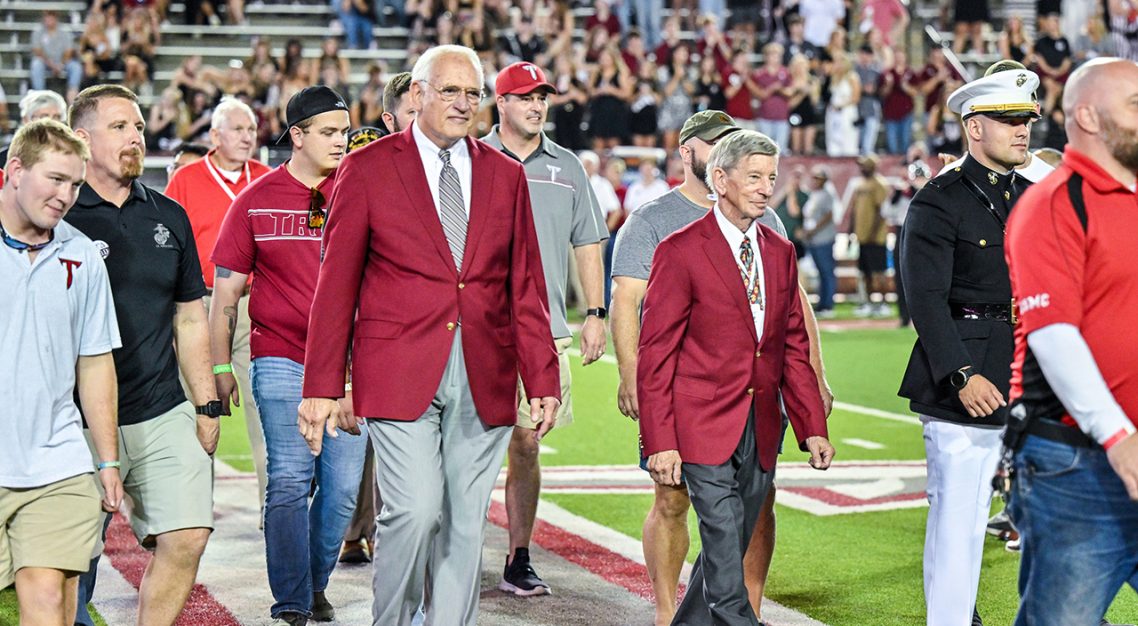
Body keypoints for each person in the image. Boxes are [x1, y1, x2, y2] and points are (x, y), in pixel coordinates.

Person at [296, 45, 561, 626]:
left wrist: (542, 376)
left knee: (465, 522)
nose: (463, 103)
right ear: (416, 96)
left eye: (472, 93)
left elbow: (526, 286)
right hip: (396, 369)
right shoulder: (364, 169)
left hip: (485, 368)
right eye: (449, 91)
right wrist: (322, 383)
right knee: (414, 510)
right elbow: (335, 285)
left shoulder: (506, 175)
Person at [611, 110, 833, 626]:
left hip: (760, 422)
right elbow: (657, 352)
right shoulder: (678, 249)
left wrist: (812, 427)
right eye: (753, 177)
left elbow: (792, 345)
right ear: (720, 179)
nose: (764, 188)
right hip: (699, 422)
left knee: (731, 539)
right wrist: (659, 439)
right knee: (720, 532)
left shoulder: (779, 250)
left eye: (771, 178)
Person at [65, 84, 219, 626]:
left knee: (188, 536)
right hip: (74, 419)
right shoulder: (55, 218)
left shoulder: (170, 215)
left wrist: (205, 404)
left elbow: (190, 315)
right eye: (120, 127)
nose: (136, 136)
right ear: (80, 139)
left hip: (160, 406)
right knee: (66, 562)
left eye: (137, 126)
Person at [210, 86, 364, 626]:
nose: (340, 142)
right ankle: (294, 602)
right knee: (290, 479)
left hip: (350, 368)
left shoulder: (360, 193)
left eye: (344, 132)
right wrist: (222, 367)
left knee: (343, 491)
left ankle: (314, 582)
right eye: (327, 132)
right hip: (279, 357)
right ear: (296, 135)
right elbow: (225, 294)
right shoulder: (255, 198)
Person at [898, 69, 1042, 626]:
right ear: (973, 127)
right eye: (1009, 121)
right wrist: (960, 372)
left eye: (1026, 120)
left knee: (1047, 518)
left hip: (1031, 373)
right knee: (959, 521)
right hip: (968, 376)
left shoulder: (1033, 197)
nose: (1022, 130)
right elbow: (925, 299)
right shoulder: (939, 200)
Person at [1005, 56, 1138, 626]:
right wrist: (1118, 436)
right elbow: (1054, 335)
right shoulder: (1055, 202)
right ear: (1087, 114)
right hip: (1078, 463)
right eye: (1135, 103)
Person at [482, 61, 609, 596]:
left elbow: (587, 242)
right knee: (465, 444)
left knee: (529, 443)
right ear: (501, 103)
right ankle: (452, 546)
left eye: (543, 98)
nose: (537, 106)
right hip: (479, 329)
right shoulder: (473, 156)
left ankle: (518, 554)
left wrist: (596, 314)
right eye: (526, 97)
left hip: (546, 327)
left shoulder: (568, 166)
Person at [0, 119, 122, 626]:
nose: (66, 195)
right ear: (13, 171)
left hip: (57, 460)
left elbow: (94, 362)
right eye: (54, 179)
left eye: (74, 184)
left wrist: (108, 460)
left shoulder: (82, 254)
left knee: (49, 601)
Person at [165, 96, 272, 519]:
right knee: (196, 408)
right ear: (214, 135)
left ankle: (275, 511)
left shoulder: (268, 177)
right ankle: (191, 515)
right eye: (238, 129)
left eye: (251, 129)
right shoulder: (187, 179)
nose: (248, 137)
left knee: (266, 413)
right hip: (200, 304)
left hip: (253, 306)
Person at [339, 71, 416, 565]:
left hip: (399, 334)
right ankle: (353, 530)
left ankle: (390, 532)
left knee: (394, 445)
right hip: (360, 331)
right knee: (358, 447)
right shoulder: (339, 191)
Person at [845, 154, 892, 318]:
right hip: (861, 236)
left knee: (879, 272)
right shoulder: (860, 185)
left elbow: (882, 212)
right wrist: (851, 231)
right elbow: (855, 210)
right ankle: (870, 303)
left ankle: (884, 303)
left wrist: (873, 232)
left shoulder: (880, 184)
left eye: (865, 165)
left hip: (876, 238)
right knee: (864, 273)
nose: (862, 168)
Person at [798, 165, 839, 318]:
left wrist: (813, 230)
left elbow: (828, 215)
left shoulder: (827, 195)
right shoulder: (815, 194)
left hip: (823, 238)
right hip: (814, 239)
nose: (815, 181)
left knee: (827, 271)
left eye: (818, 178)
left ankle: (828, 305)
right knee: (821, 272)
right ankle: (823, 303)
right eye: (814, 177)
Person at [29, 11, 83, 101]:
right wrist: (51, 64)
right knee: (36, 64)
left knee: (76, 66)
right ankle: (39, 94)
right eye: (47, 17)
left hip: (62, 62)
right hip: (45, 62)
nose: (49, 20)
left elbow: (68, 51)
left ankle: (72, 93)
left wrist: (60, 64)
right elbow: (37, 51)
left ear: (56, 19)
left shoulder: (64, 32)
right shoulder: (38, 32)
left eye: (51, 18)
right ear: (44, 19)